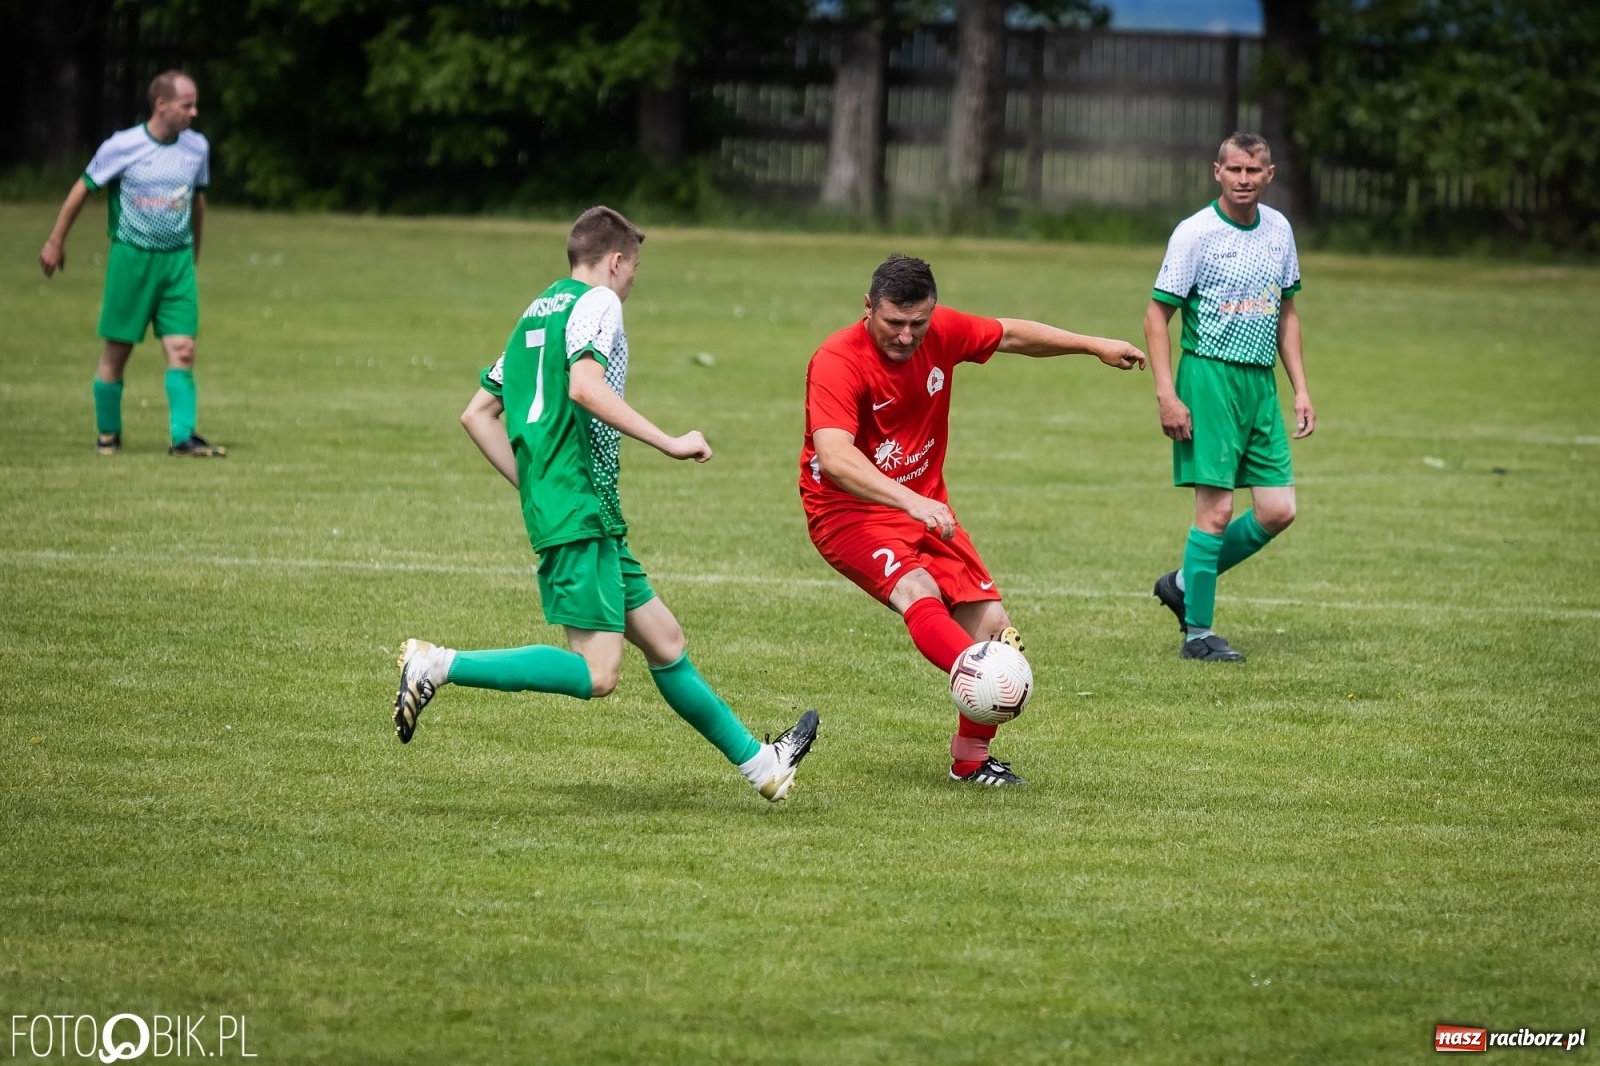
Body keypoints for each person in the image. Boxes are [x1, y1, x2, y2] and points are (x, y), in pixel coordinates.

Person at [394, 207, 819, 802]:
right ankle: (437, 663)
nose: (633, 282)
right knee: (599, 674)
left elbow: (477, 414)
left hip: (580, 507)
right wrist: (670, 442)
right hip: (581, 506)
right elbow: (584, 387)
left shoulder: (537, 311)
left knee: (666, 641)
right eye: (635, 268)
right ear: (615, 261)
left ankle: (763, 768)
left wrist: (539, 487)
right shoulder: (599, 304)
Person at [800, 254, 1145, 787]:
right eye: (894, 322)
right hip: (847, 511)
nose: (907, 335)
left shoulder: (940, 333)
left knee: (994, 628)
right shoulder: (837, 360)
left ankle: (970, 759)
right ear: (868, 308)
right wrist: (909, 502)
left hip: (924, 505)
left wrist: (1093, 344)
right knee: (918, 590)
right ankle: (986, 682)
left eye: (919, 323)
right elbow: (837, 457)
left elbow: (1010, 334)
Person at [1143, 132, 1315, 662]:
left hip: (1259, 384)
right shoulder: (1195, 233)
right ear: (1217, 171)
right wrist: (1167, 395)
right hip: (1210, 378)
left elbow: (1286, 313)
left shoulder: (1279, 230)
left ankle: (1183, 582)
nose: (1243, 179)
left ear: (1269, 175)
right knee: (1215, 514)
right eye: (1234, 169)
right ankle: (1198, 635)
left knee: (1279, 509)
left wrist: (1301, 388)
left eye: (1253, 170)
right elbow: (1156, 315)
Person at [38, 70, 223, 457]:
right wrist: (56, 241)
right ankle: (108, 434)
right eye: (187, 105)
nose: (194, 112)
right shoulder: (123, 146)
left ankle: (183, 437)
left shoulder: (197, 148)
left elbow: (197, 201)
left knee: (183, 348)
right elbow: (82, 188)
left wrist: (195, 253)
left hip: (177, 261)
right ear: (162, 105)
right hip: (132, 259)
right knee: (117, 351)